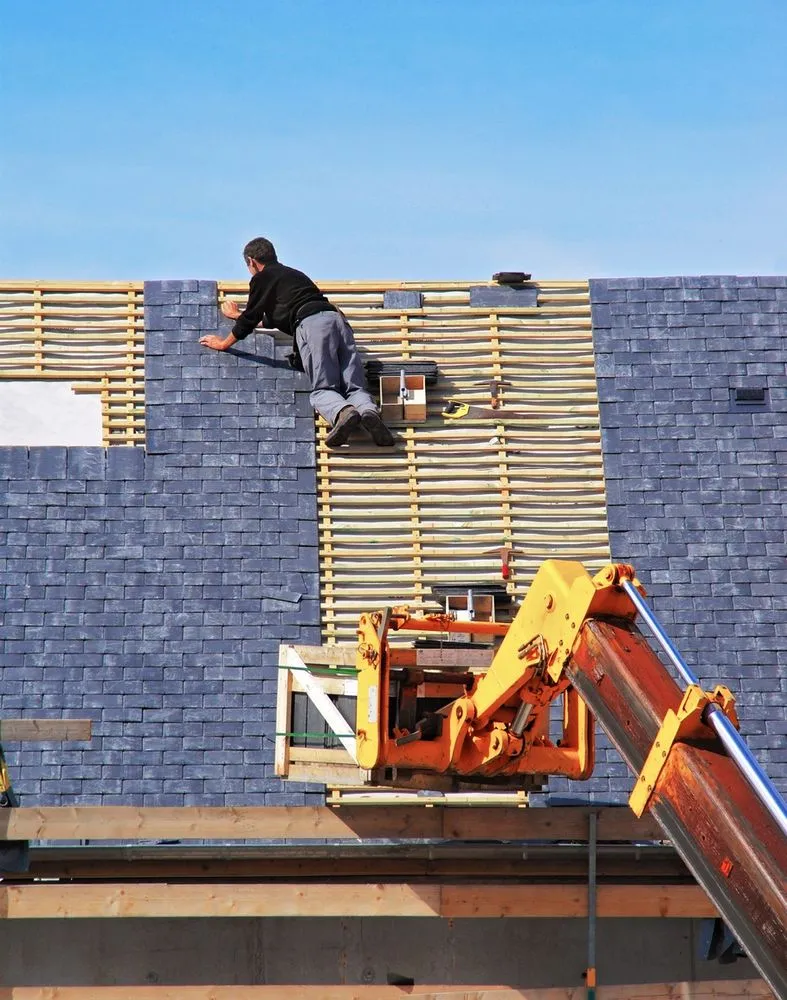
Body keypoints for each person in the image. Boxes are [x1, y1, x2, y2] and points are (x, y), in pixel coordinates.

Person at [199, 237, 395, 448]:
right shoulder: (294, 275)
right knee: (354, 386)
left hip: (314, 326)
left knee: (324, 389)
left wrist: (223, 343)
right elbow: (272, 318)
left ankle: (342, 412)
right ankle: (368, 412)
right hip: (337, 320)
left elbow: (251, 319)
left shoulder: (262, 277)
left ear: (251, 261)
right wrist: (240, 315)